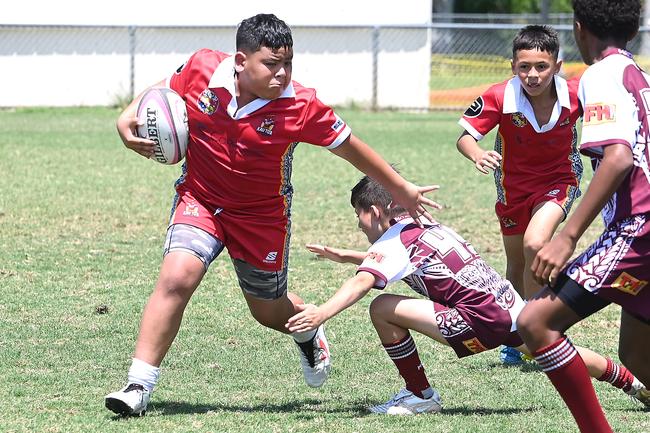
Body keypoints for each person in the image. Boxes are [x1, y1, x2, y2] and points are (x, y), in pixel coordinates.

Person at [104, 13, 438, 417]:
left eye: (288, 63)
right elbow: (166, 87)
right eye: (271, 64)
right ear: (240, 61)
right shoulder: (202, 67)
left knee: (268, 312)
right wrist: (128, 114)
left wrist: (402, 189)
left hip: (262, 219)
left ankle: (308, 329)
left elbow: (353, 148)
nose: (282, 74)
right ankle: (138, 385)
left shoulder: (301, 105)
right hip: (201, 201)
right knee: (177, 278)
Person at [285, 175, 649, 415]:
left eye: (359, 216)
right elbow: (398, 258)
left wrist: (321, 315)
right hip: (507, 307)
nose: (359, 224)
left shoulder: (393, 243)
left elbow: (360, 284)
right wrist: (346, 255)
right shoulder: (421, 225)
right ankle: (635, 384)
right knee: (553, 349)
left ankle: (420, 395)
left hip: (478, 322)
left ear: (376, 212)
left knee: (381, 307)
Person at [516, 1, 650, 432]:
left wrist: (567, 236)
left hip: (639, 227)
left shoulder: (600, 75)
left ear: (578, 28)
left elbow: (617, 159)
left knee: (534, 322)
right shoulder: (639, 75)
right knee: (636, 357)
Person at [456, 25, 583, 365]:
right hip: (512, 187)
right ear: (512, 66)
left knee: (534, 244)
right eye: (524, 66)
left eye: (542, 66)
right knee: (516, 263)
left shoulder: (576, 93)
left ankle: (539, 332)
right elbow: (465, 138)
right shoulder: (500, 95)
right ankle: (516, 334)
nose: (533, 74)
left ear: (557, 66)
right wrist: (477, 154)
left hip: (560, 180)